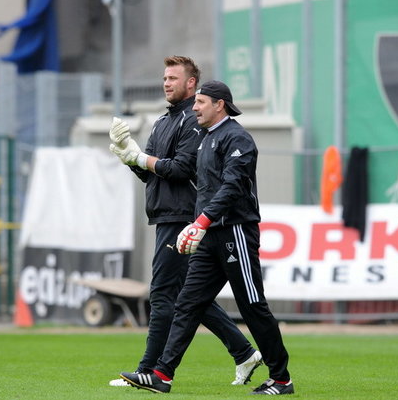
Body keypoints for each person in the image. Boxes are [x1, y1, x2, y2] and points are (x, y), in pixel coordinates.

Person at [119, 80, 294, 395]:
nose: (195, 107)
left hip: (235, 232)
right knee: (186, 304)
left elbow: (232, 188)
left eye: (200, 102)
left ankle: (281, 379)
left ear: (220, 104)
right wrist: (135, 161)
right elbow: (191, 182)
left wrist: (200, 221)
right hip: (208, 235)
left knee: (252, 305)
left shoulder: (238, 138)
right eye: (195, 102)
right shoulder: (206, 140)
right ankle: (162, 375)